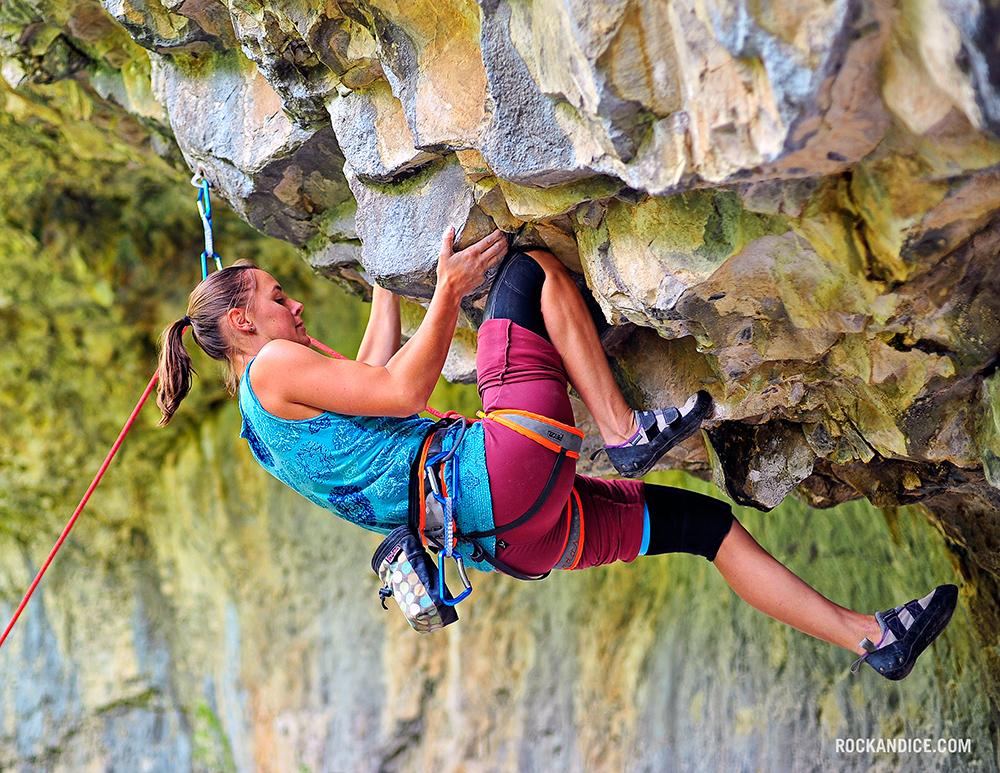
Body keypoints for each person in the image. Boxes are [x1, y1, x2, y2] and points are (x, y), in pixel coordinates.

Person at [157, 227, 957, 680]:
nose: (292, 302)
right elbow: (400, 393)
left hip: (514, 537)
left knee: (706, 528)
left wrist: (385, 283)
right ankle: (622, 429)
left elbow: (369, 379)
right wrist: (441, 289)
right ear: (241, 325)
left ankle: (871, 638)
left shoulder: (259, 423)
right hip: (496, 472)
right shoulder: (272, 365)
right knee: (526, 273)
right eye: (273, 296)